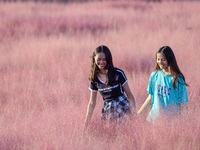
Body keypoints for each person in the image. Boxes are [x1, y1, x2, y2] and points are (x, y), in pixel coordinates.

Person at [84, 45, 136, 128]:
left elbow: (129, 95)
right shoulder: (94, 78)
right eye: (99, 59)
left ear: (109, 59)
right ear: (94, 59)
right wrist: (85, 124)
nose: (101, 62)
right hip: (108, 110)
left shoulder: (118, 73)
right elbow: (92, 103)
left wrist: (134, 112)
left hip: (122, 107)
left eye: (104, 59)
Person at [137, 46, 189, 122]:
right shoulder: (154, 75)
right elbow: (150, 98)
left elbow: (184, 105)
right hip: (154, 120)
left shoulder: (178, 79)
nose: (160, 62)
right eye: (158, 59)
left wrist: (185, 124)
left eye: (163, 60)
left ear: (169, 59)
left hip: (172, 123)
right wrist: (138, 114)